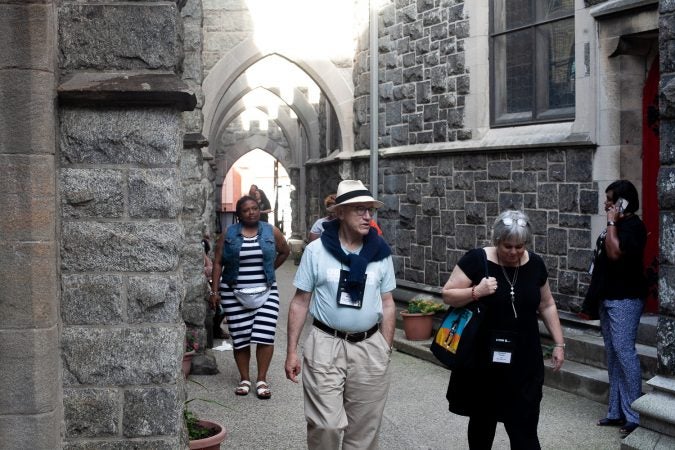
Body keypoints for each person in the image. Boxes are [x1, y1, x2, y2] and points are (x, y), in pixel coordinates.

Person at [285, 179, 396, 449]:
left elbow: (388, 302)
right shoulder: (316, 251)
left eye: (370, 210)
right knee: (326, 426)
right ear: (340, 213)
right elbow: (300, 302)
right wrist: (291, 351)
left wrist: (385, 347)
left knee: (364, 432)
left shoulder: (381, 254)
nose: (367, 216)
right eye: (359, 209)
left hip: (369, 347)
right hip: (326, 343)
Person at [441, 209, 565, 449]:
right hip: (483, 360)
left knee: (525, 426)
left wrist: (559, 343)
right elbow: (448, 295)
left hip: (524, 359)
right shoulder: (476, 260)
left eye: (520, 246)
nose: (514, 252)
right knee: (482, 424)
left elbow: (547, 304)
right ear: (496, 240)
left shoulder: (536, 263)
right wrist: (476, 291)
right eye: (508, 246)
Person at [209, 195, 290, 399]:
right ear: (239, 214)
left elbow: (284, 251)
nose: (251, 212)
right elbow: (218, 262)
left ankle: (261, 380)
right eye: (246, 210)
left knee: (265, 334)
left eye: (254, 208)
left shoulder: (271, 231)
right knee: (241, 337)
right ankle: (244, 379)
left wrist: (269, 270)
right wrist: (215, 291)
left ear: (259, 210)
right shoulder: (228, 234)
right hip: (233, 292)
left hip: (266, 290)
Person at [584, 180, 647, 436]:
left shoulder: (633, 227)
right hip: (607, 298)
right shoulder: (618, 224)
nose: (606, 203)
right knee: (613, 356)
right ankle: (616, 412)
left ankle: (635, 414)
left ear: (624, 202)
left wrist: (611, 222)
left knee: (624, 354)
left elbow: (614, 254)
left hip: (625, 299)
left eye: (610, 199)